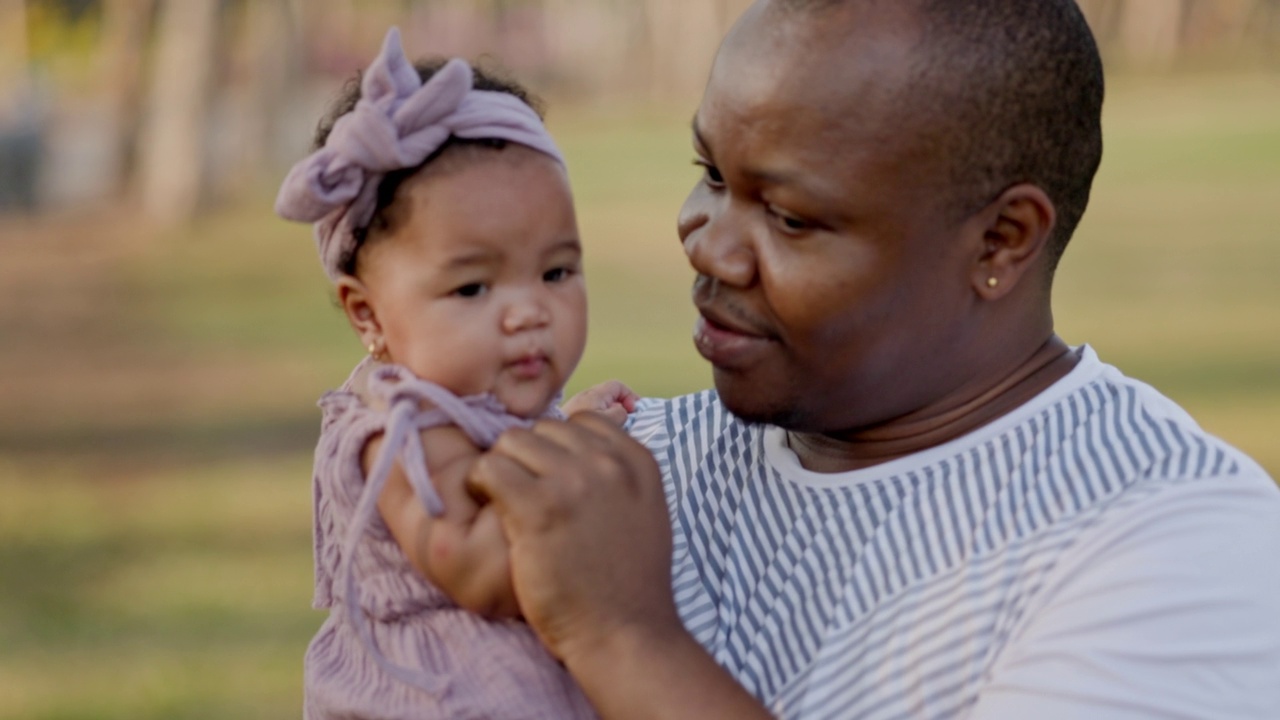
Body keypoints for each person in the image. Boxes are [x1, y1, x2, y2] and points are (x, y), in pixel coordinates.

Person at [465, 1, 1280, 718]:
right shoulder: (625, 469)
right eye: (710, 174)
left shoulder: (1170, 546)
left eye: (788, 217)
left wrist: (623, 637)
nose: (706, 244)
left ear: (1002, 240)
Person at [275, 28, 632, 720]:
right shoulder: (400, 434)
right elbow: (480, 570)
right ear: (368, 315)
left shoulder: (480, 394)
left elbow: (515, 448)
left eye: (556, 271)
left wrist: (571, 421)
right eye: (473, 289)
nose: (528, 310)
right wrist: (587, 459)